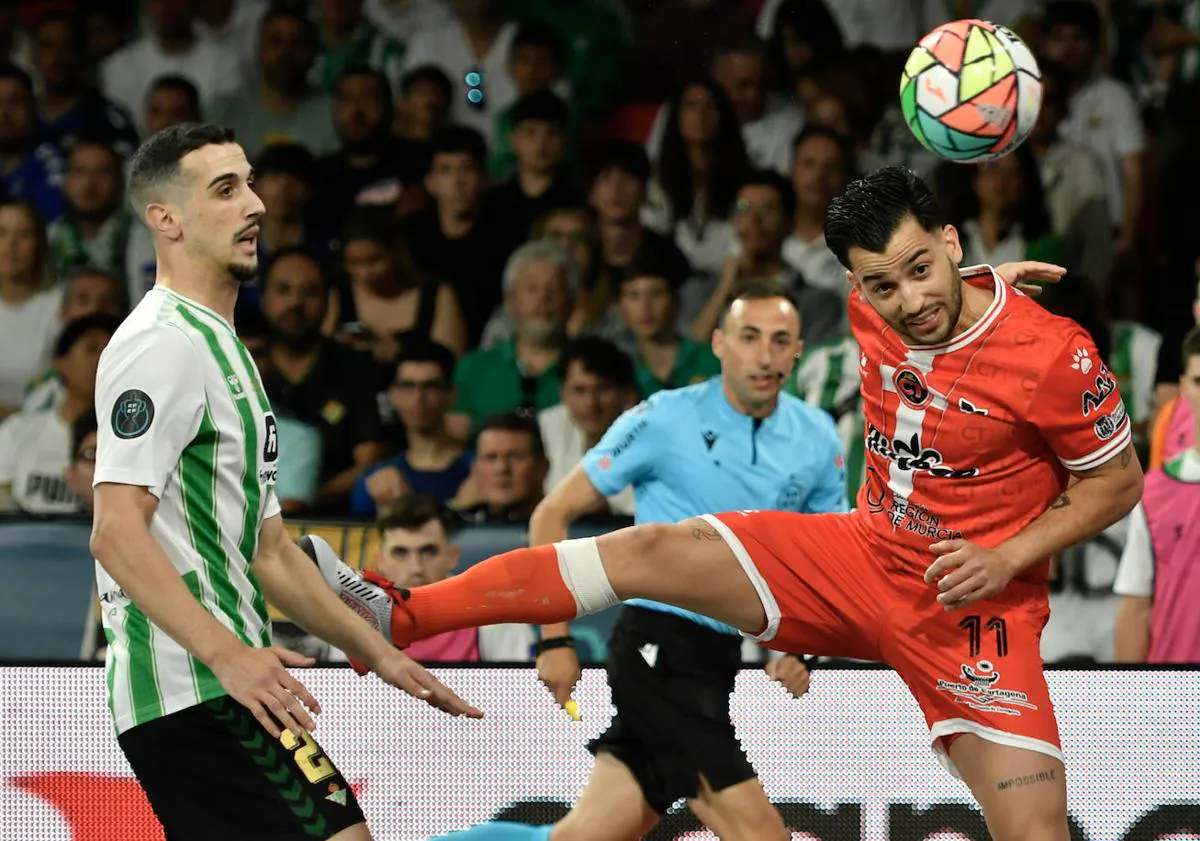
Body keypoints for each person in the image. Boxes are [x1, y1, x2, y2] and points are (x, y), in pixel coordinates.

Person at [336, 166, 1143, 841]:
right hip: (860, 558)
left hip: (975, 604)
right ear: (855, 285)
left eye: (923, 270)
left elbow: (1118, 482)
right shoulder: (874, 310)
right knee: (650, 548)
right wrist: (967, 284)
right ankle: (405, 614)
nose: (909, 301)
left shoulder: (1054, 356)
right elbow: (930, 297)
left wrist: (1003, 555)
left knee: (1038, 832)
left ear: (954, 245)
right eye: (882, 284)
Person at [90, 123, 480, 841]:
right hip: (193, 686)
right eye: (226, 188)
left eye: (251, 182)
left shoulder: (226, 348)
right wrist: (229, 654)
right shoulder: (159, 345)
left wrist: (378, 652)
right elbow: (115, 530)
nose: (257, 204)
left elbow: (269, 551)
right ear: (165, 219)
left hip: (233, 680)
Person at [443, 278, 843, 841]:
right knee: (762, 835)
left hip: (720, 656)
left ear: (799, 350)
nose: (765, 355)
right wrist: (554, 640)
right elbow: (548, 517)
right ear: (720, 343)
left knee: (578, 839)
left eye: (781, 341)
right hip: (657, 648)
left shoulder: (816, 435)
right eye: (749, 337)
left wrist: (804, 644)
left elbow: (828, 555)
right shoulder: (663, 418)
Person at [1113, 325, 1200, 663]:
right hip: (1176, 698)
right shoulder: (1154, 493)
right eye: (1198, 381)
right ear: (1184, 389)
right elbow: (1136, 608)